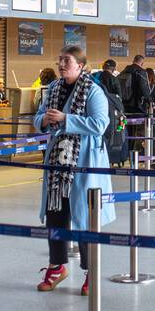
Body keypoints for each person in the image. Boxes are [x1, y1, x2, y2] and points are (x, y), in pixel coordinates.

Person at [34, 46, 116, 295]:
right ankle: (56, 266)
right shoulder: (53, 89)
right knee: (55, 214)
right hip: (58, 167)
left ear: (80, 65)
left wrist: (65, 119)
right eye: (59, 60)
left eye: (66, 61)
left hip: (83, 165)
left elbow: (100, 124)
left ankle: (91, 271)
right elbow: (38, 117)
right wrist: (45, 121)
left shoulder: (94, 91)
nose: (61, 65)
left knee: (84, 218)